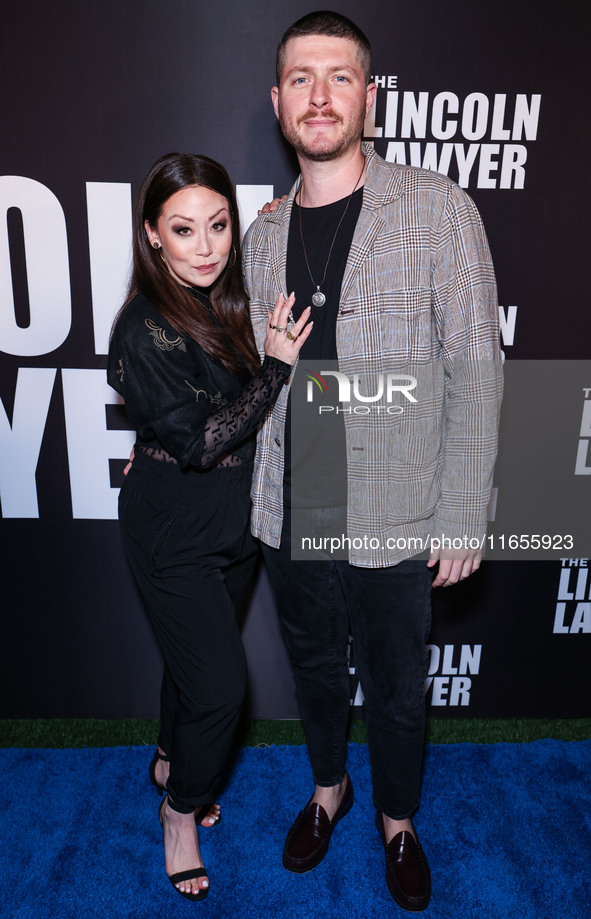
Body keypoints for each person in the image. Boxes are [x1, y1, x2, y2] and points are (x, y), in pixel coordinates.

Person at [242, 11, 503, 912]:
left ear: (369, 97)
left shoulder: (437, 209)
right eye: (302, 78)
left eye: (340, 76)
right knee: (315, 670)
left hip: (400, 502)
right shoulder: (262, 234)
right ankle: (328, 790)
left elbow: (475, 362)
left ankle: (397, 818)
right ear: (278, 103)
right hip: (293, 499)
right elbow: (260, 373)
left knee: (395, 687)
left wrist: (465, 508)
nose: (320, 95)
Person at [107, 152, 311, 901]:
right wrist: (277, 368)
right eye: (184, 229)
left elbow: (261, 250)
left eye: (218, 225)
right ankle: (177, 810)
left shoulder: (227, 292)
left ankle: (169, 756)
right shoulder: (142, 326)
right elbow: (202, 439)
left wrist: (266, 226)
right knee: (223, 687)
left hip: (235, 520)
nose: (205, 245)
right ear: (153, 236)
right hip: (172, 527)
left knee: (189, 668)